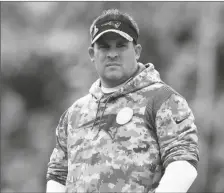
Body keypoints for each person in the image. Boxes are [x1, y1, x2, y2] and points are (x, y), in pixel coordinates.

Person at [46, 9, 199, 193]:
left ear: (137, 51)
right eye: (104, 47)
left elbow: (183, 166)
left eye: (120, 45)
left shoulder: (162, 100)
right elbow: (57, 176)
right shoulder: (75, 114)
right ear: (92, 54)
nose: (112, 54)